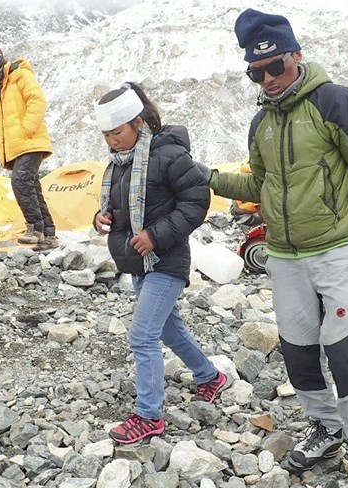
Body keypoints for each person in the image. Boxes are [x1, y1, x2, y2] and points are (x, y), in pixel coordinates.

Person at [208, 9, 348, 488]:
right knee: (298, 353)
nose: (267, 78)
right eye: (256, 72)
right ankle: (326, 426)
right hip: (284, 255)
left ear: (297, 55)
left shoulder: (335, 101)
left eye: (275, 66)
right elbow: (259, 183)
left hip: (337, 247)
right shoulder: (261, 123)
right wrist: (210, 178)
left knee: (345, 354)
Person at [92, 82, 226, 444]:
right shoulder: (120, 163)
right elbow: (122, 209)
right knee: (169, 330)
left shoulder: (167, 155)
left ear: (136, 123)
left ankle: (148, 416)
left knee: (142, 336)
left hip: (166, 259)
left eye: (116, 132)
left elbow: (197, 201)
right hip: (140, 263)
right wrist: (100, 218)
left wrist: (156, 235)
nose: (111, 141)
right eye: (105, 135)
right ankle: (210, 376)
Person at [0, 41, 58, 251]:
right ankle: (48, 234)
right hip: (18, 146)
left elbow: (37, 100)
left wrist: (26, 129)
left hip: (30, 141)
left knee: (20, 181)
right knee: (31, 185)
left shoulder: (20, 75)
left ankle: (34, 229)